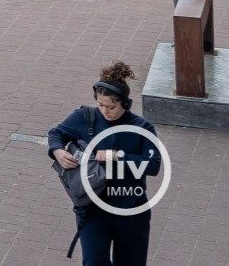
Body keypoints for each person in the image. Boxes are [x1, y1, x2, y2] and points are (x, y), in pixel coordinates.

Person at [48, 61, 157, 265]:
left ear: (126, 103)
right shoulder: (85, 117)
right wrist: (57, 151)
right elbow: (56, 134)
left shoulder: (142, 128)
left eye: (111, 107)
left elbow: (153, 165)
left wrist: (117, 156)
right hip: (92, 211)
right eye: (101, 104)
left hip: (131, 211)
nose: (105, 111)